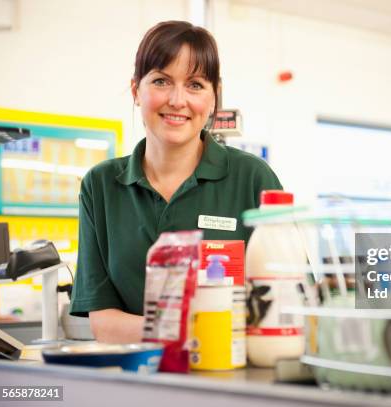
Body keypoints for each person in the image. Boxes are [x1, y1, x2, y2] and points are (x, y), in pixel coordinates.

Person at [70, 21, 282, 343]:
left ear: (213, 98)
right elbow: (104, 323)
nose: (177, 100)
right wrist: (200, 331)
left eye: (195, 85)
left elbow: (282, 300)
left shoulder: (253, 179)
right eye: (161, 81)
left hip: (229, 379)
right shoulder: (100, 187)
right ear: (135, 91)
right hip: (135, 381)